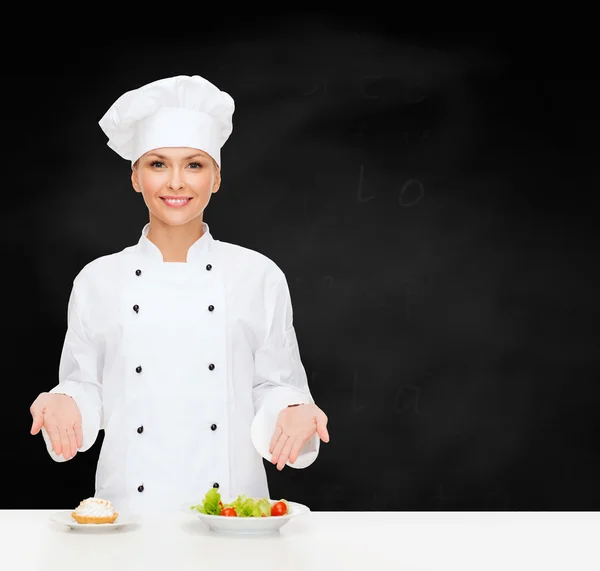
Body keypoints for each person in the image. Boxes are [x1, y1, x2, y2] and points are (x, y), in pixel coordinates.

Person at [29, 75, 329, 514]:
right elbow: (85, 384)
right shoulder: (97, 280)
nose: (176, 183)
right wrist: (64, 401)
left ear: (217, 178)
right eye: (157, 164)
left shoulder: (257, 275)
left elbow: (273, 385)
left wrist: (293, 410)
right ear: (135, 177)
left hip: (233, 512)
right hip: (128, 511)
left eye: (193, 164)